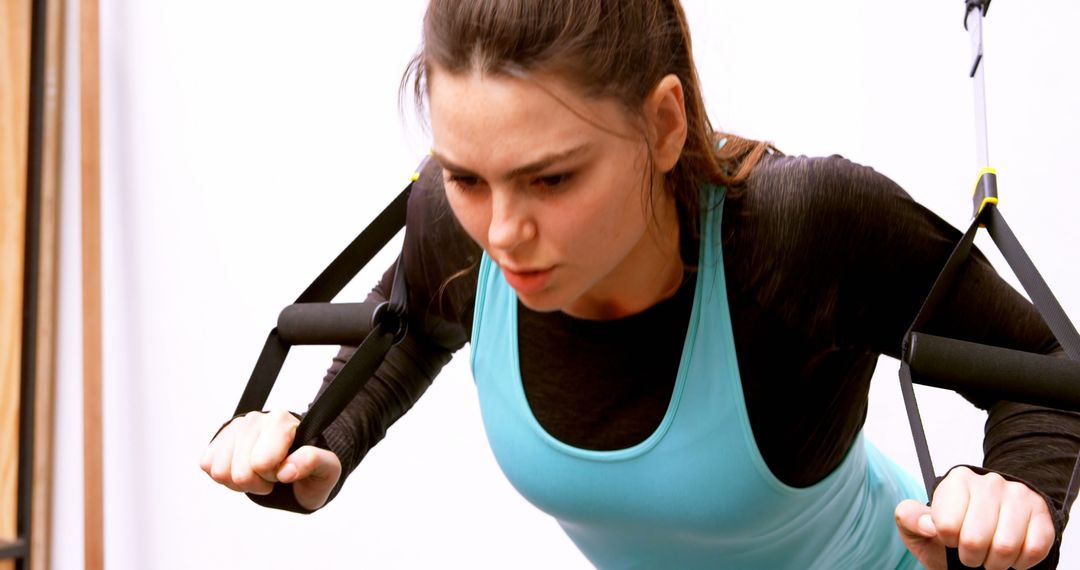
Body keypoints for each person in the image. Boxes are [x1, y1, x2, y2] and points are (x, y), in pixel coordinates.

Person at [200, 1, 1080, 568]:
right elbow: (412, 332)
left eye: (552, 180)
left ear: (663, 125)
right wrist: (319, 448)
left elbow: (1044, 371)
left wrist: (1016, 501)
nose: (503, 231)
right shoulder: (451, 223)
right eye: (468, 177)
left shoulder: (800, 231)